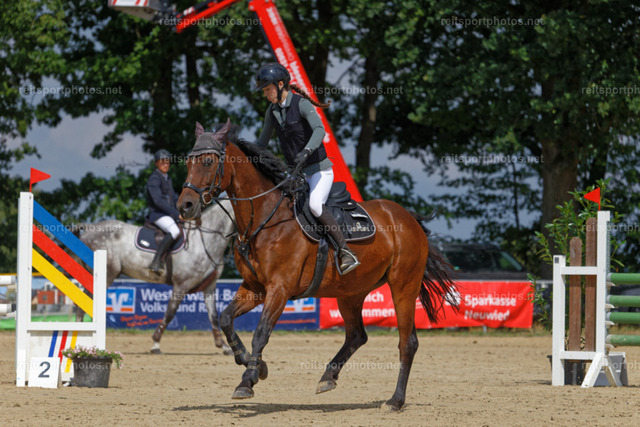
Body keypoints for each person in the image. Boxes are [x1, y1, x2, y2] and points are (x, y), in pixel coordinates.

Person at [254, 62, 360, 275]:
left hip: (319, 170)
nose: (265, 94)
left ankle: (346, 251)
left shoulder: (301, 104)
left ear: (281, 85)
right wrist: (245, 155)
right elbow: (262, 142)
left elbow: (319, 130)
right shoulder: (272, 112)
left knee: (315, 206)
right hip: (296, 175)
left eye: (267, 89)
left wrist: (307, 151)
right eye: (264, 91)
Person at [146, 149, 181, 275]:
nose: (165, 164)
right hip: (158, 215)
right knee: (175, 231)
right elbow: (158, 201)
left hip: (168, 215)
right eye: (162, 162)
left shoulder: (167, 179)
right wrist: (177, 214)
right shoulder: (154, 179)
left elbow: (174, 199)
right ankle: (156, 261)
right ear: (156, 163)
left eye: (167, 162)